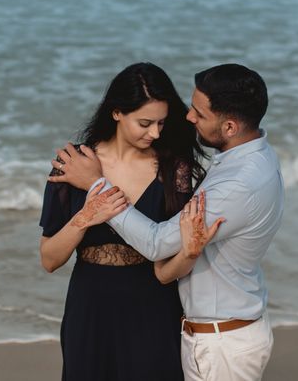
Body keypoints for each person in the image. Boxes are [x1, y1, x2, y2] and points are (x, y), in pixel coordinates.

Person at [51, 63, 284, 381]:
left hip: (217, 341)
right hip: (201, 329)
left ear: (229, 127)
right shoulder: (251, 158)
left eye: (200, 114)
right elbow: (50, 257)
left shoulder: (235, 182)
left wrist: (96, 187)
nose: (188, 118)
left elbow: (157, 244)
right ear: (116, 112)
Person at [39, 62, 206, 381]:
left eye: (161, 122)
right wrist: (86, 217)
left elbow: (174, 261)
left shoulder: (176, 169)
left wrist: (191, 252)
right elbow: (49, 259)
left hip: (155, 307)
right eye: (145, 123)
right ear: (116, 112)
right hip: (90, 307)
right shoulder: (74, 164)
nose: (155, 133)